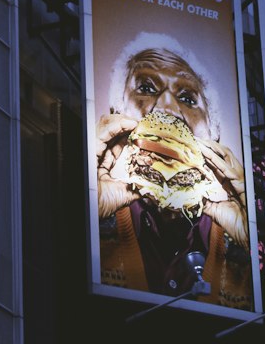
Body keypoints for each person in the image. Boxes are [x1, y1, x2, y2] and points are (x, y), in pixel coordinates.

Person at [95, 42, 252, 309]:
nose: (167, 107)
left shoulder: (237, 240)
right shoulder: (95, 213)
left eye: (188, 98)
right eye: (145, 88)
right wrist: (88, 203)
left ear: (213, 136)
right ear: (117, 117)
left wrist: (250, 237)